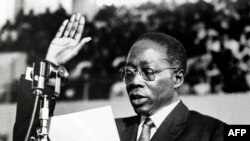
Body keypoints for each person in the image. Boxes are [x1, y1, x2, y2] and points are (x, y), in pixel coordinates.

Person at [13, 14, 226, 141]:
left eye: (148, 72)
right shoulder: (105, 131)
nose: (134, 81)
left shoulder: (213, 133)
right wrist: (50, 66)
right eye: (129, 73)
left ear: (177, 78)